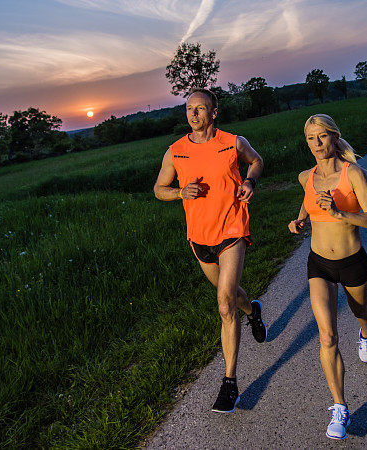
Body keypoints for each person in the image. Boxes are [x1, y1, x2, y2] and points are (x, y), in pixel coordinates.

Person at [153, 88, 267, 413]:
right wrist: (179, 193)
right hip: (199, 238)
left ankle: (229, 384)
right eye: (189, 109)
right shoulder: (175, 151)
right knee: (229, 296)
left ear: (213, 112)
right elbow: (159, 188)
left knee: (224, 303)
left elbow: (256, 161)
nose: (194, 114)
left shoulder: (233, 142)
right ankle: (253, 311)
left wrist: (250, 182)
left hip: (231, 230)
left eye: (200, 109)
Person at [288, 114, 367, 439]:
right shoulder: (305, 177)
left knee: (360, 312)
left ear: (335, 138)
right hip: (319, 265)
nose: (316, 144)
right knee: (327, 337)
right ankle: (340, 407)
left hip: (352, 262)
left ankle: (366, 331)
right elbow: (307, 201)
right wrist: (299, 221)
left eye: (322, 137)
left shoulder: (354, 174)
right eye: (311, 138)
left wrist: (341, 213)